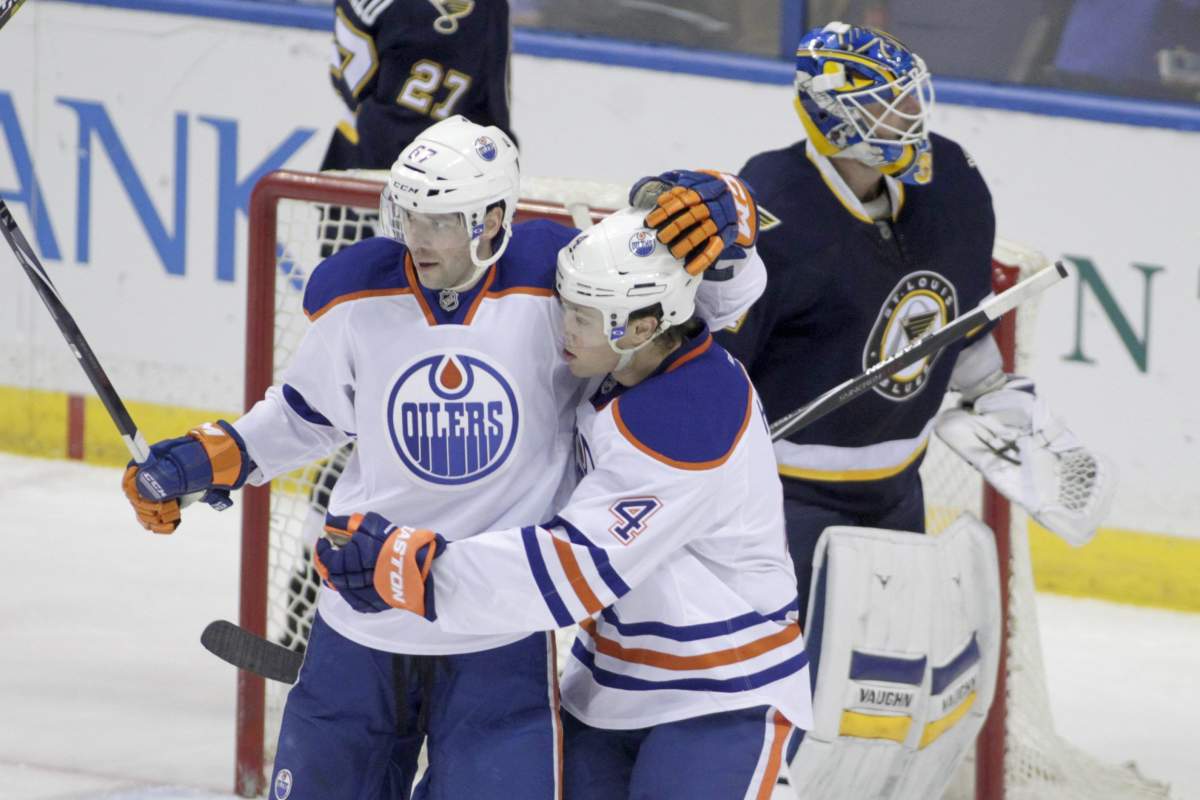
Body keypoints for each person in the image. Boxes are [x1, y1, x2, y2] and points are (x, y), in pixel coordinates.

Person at [120, 115, 766, 799]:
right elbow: (304, 415)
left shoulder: (561, 283)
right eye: (409, 215)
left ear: (492, 218)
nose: (416, 238)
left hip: (500, 634)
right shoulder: (359, 295)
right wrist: (208, 459)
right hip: (362, 618)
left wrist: (732, 222)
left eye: (442, 220)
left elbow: (703, 309)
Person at [312, 206, 813, 800]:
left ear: (641, 325)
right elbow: (714, 290)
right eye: (566, 305)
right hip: (609, 680)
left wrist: (416, 568)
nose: (563, 327)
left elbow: (570, 568)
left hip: (722, 687)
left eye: (582, 316)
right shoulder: (628, 356)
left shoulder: (687, 418)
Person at [715, 21, 1000, 627]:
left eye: (909, 94)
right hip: (784, 499)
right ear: (835, 118)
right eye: (888, 101)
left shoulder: (952, 180)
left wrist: (995, 395)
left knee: (880, 687)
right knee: (785, 683)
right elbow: (719, 364)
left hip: (898, 489)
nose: (911, 112)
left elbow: (963, 310)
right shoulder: (771, 208)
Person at [322, 0, 513, 170]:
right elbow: (352, 87)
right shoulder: (491, 7)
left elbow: (493, 107)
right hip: (371, 159)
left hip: (448, 171)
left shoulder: (491, 7)